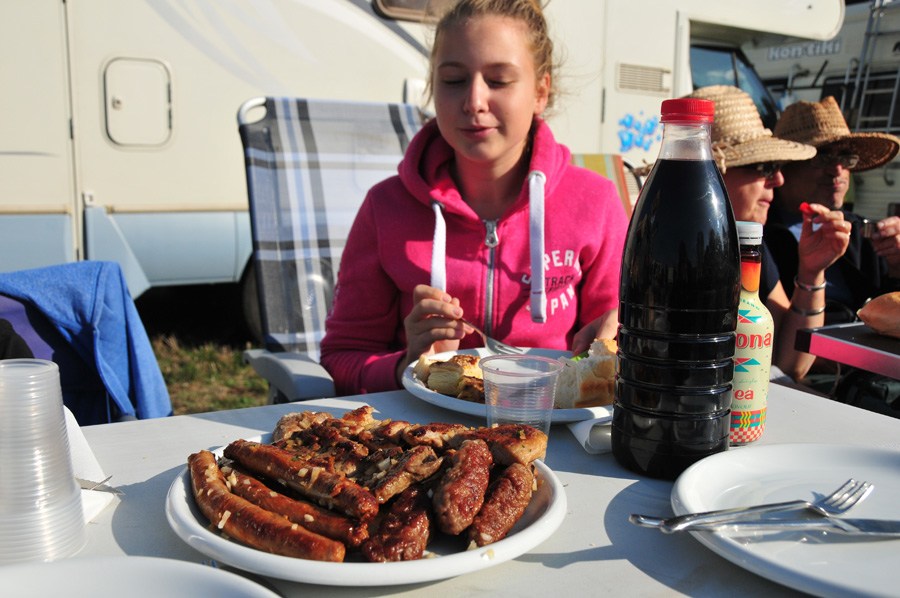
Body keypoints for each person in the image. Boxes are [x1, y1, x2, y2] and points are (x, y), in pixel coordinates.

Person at [320, 0, 628, 395]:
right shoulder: (386, 207)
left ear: (540, 92)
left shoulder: (595, 202)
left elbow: (617, 344)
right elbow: (342, 359)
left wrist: (620, 339)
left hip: (553, 421)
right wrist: (407, 364)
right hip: (423, 429)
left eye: (498, 81)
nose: (474, 101)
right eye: (453, 80)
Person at [684, 86, 851, 381]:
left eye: (777, 166)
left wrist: (812, 272)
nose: (778, 178)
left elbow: (792, 363)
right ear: (710, 171)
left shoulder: (746, 241)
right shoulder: (666, 243)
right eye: (763, 166)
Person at [766, 96, 900, 323]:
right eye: (822, 157)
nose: (837, 170)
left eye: (845, 157)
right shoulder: (757, 235)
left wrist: (897, 267)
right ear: (784, 165)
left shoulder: (861, 232)